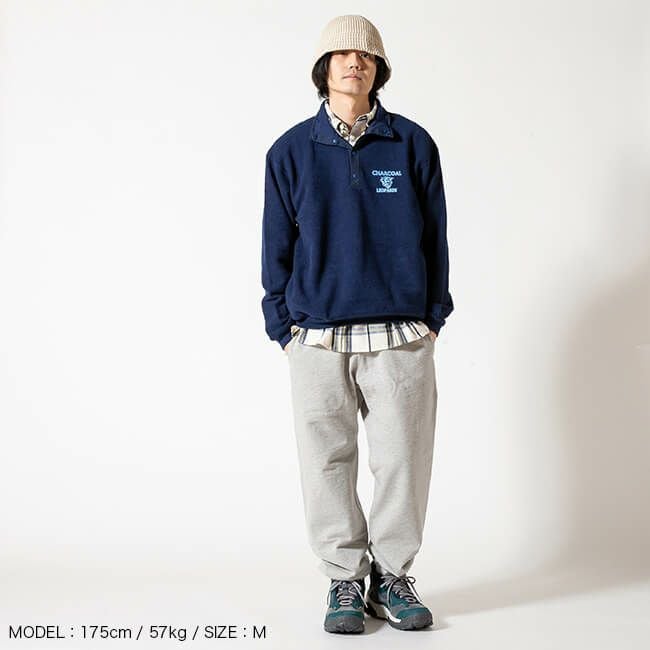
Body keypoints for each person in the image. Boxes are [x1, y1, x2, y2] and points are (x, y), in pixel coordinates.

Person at [260, 14, 454, 634]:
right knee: (326, 461)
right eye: (343, 53)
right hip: (316, 334)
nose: (354, 62)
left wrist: (433, 314)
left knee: (404, 459)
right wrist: (281, 323)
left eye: (366, 55)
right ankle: (344, 578)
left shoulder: (412, 144)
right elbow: (275, 246)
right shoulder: (290, 150)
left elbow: (436, 237)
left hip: (400, 331)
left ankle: (391, 576)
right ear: (324, 68)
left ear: (379, 68)